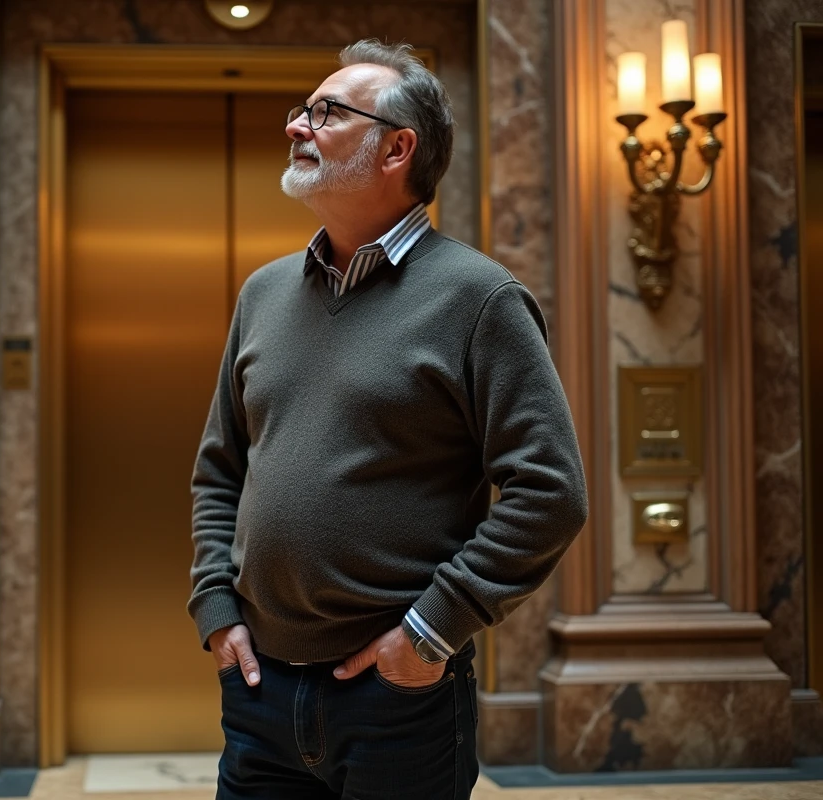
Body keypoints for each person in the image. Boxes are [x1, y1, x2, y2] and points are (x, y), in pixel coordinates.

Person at [187, 38, 589, 800]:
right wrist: (215, 608)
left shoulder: (479, 300)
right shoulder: (263, 294)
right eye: (301, 110)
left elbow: (550, 492)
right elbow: (221, 470)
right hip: (258, 689)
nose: (297, 126)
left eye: (327, 111)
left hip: (398, 695)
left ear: (397, 148)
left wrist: (429, 633)